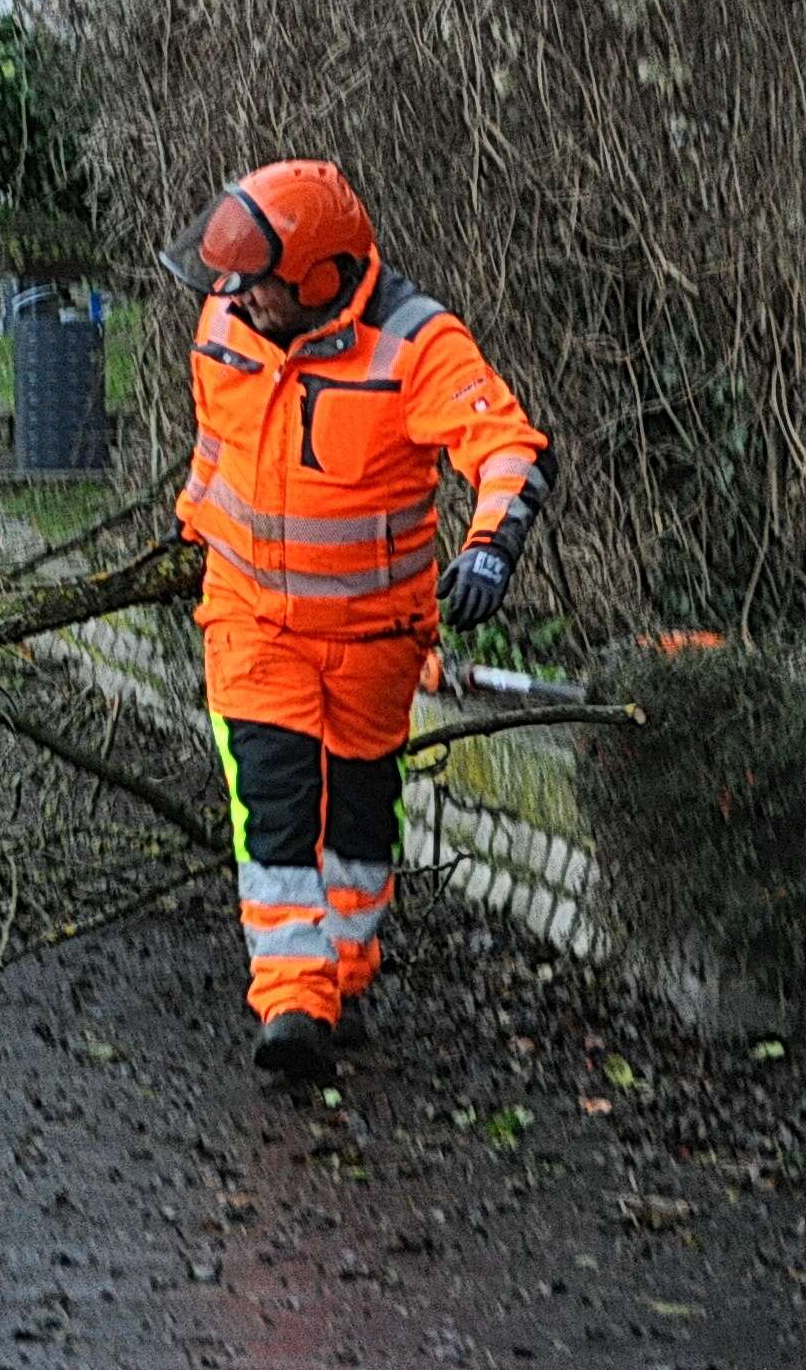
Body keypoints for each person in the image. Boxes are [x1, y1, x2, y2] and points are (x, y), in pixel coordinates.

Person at [162, 159, 553, 1079]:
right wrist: (194, 532)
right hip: (250, 620)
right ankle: (293, 1003)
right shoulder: (225, 322)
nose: (236, 300)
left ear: (315, 278)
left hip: (376, 639)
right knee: (276, 807)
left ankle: (344, 977)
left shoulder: (417, 346)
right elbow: (216, 450)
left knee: (360, 822)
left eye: (256, 284)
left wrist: (490, 546)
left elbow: (508, 450)